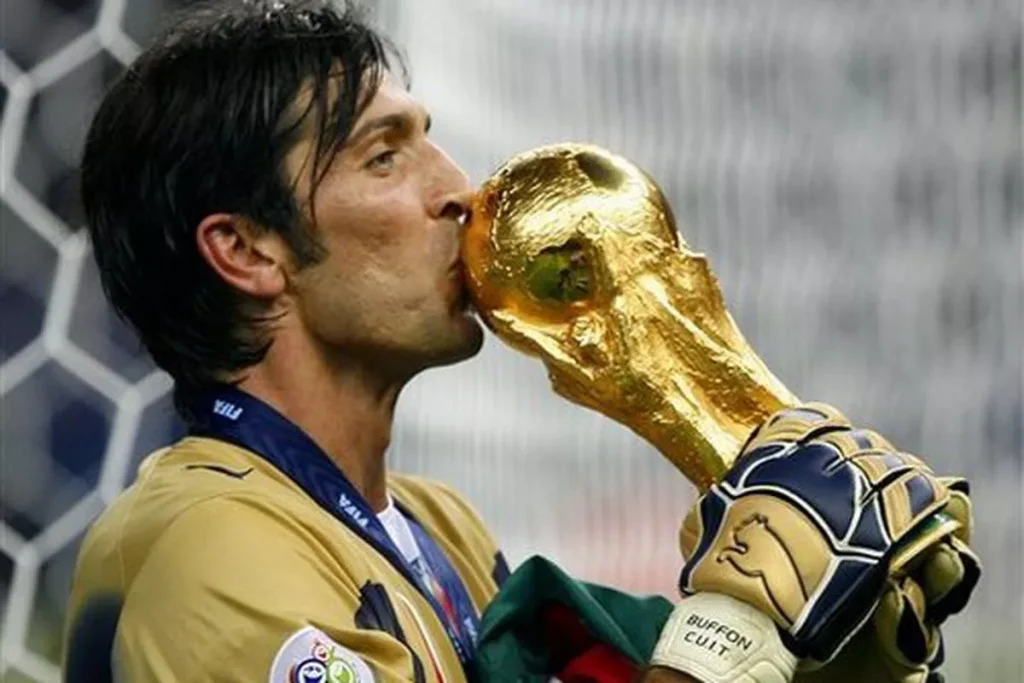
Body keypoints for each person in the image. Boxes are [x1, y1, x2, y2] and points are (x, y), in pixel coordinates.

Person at [64, 2, 978, 682]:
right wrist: (734, 622)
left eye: (432, 142)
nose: (460, 190)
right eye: (384, 157)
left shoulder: (439, 529)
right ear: (247, 250)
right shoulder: (211, 551)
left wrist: (841, 639)